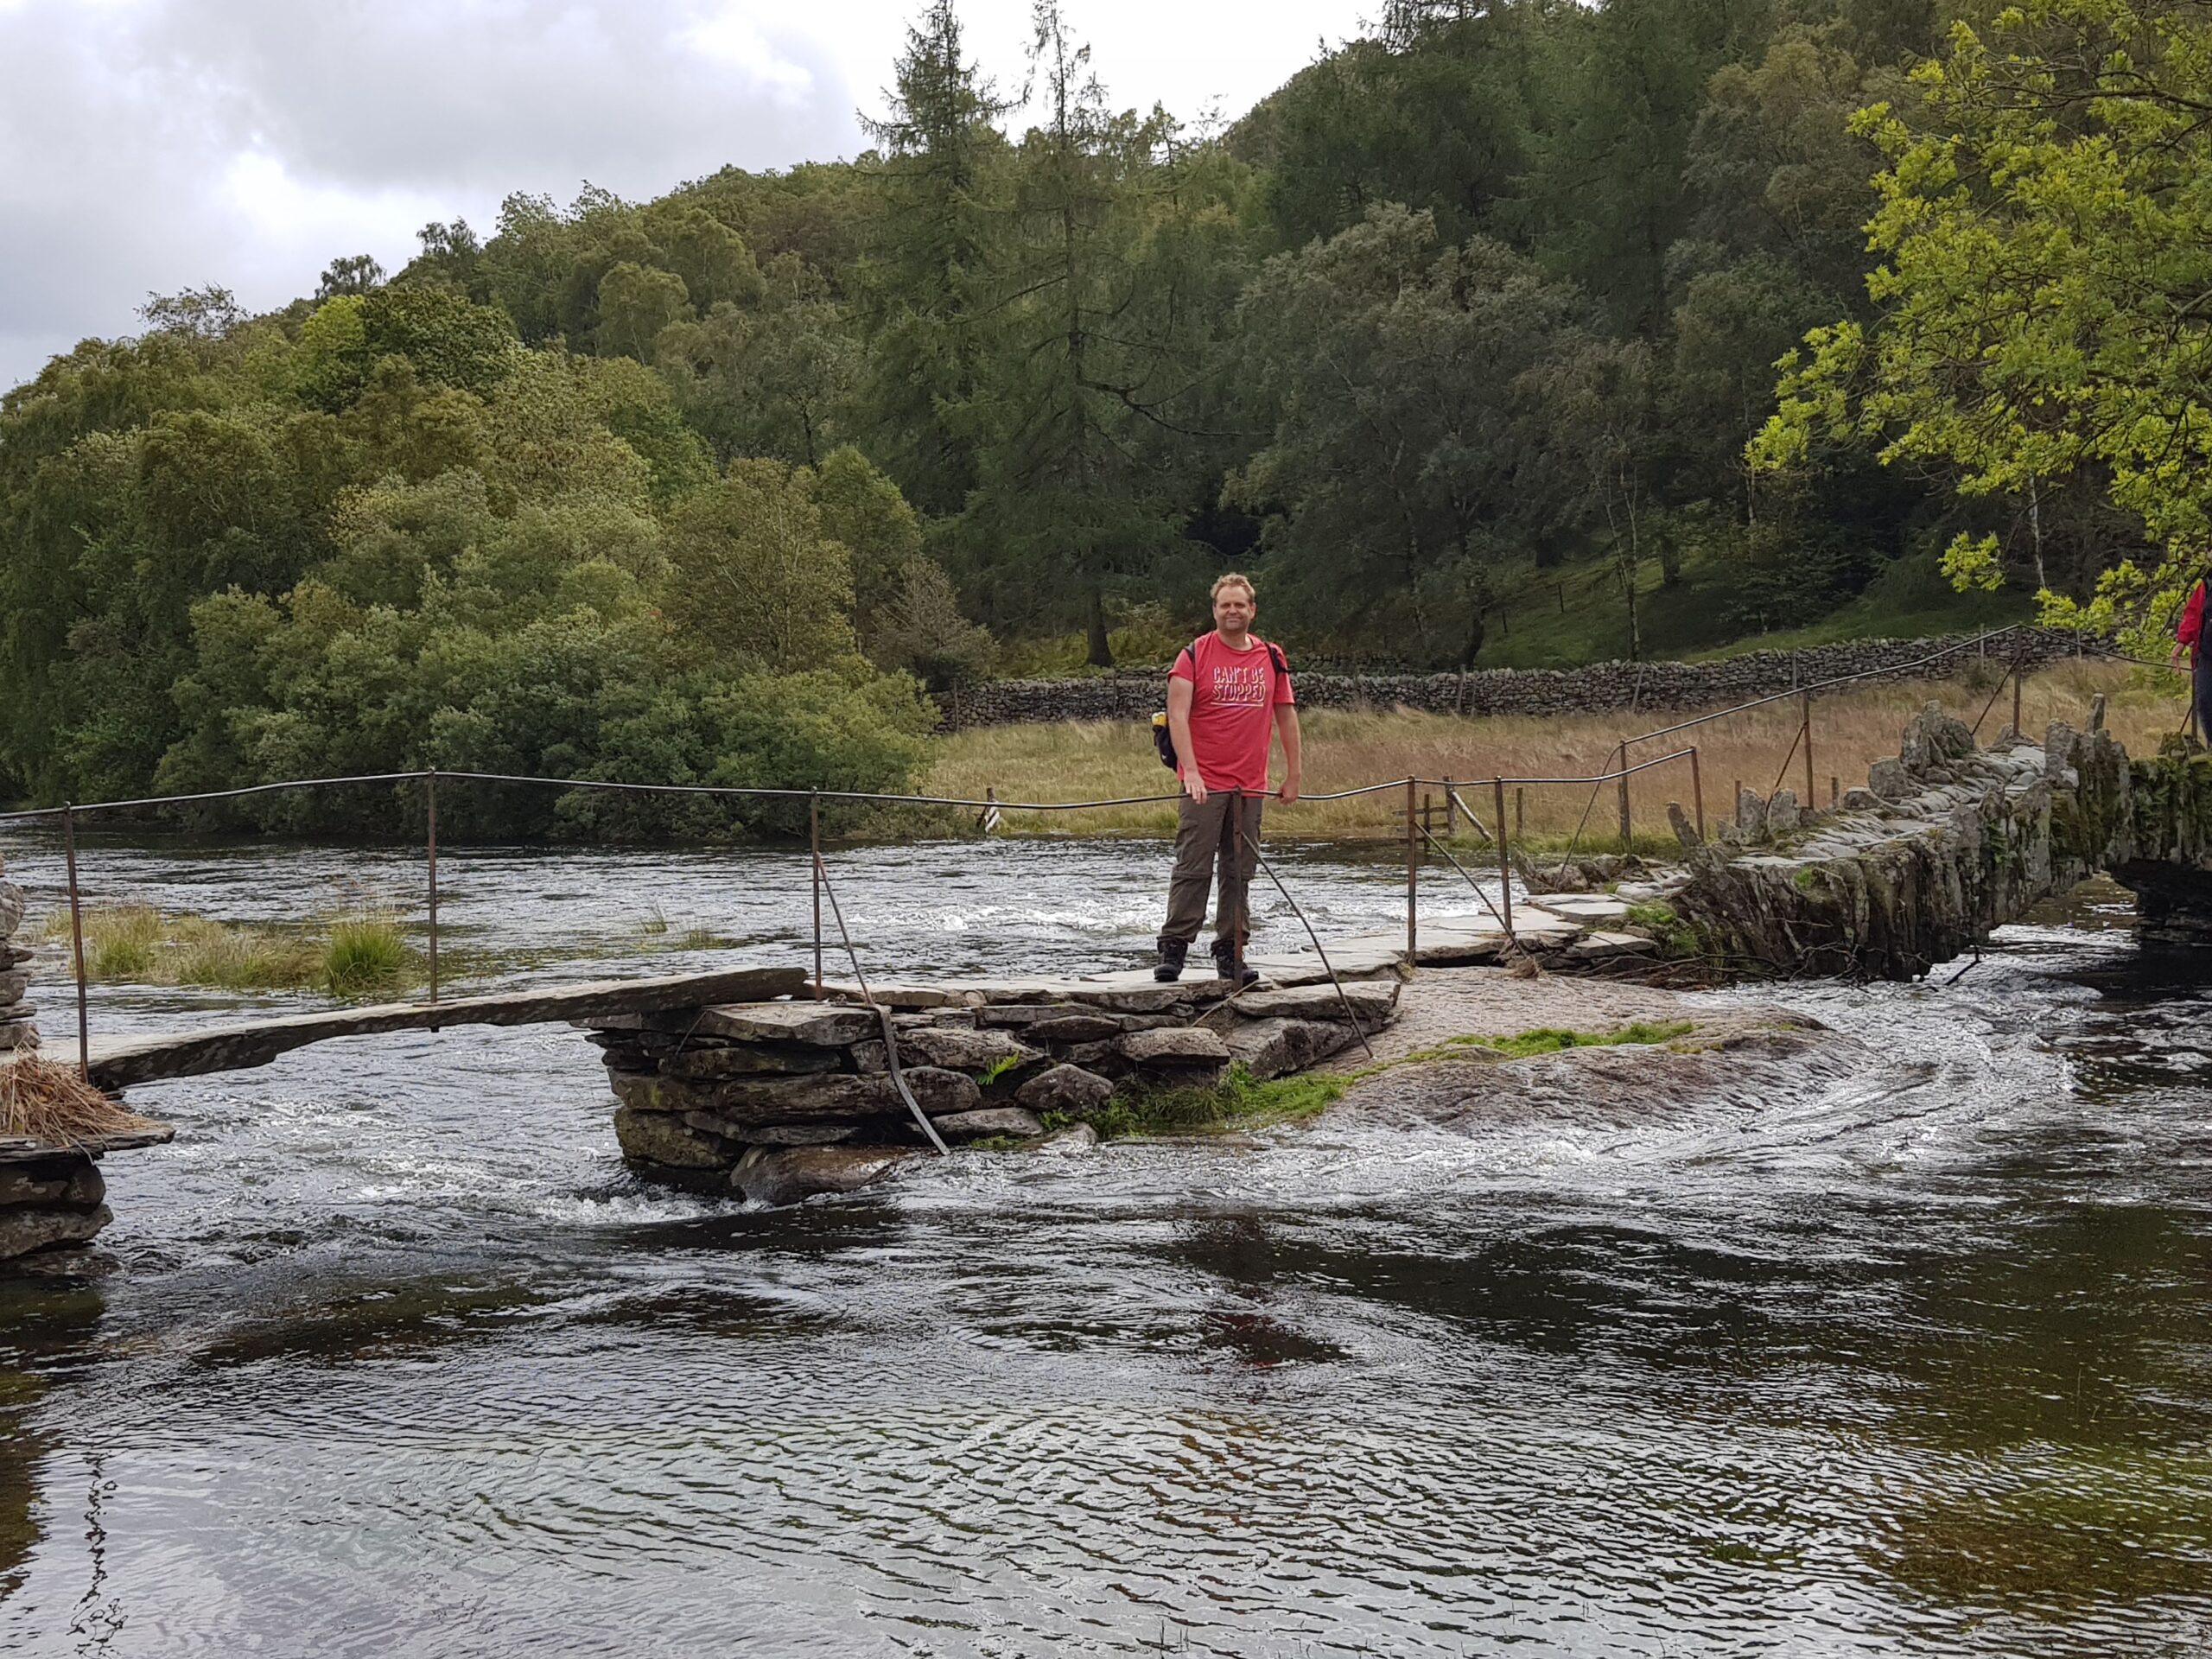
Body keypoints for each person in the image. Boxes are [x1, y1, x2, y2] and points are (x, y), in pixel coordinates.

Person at [1155, 573, 1301, 985]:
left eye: (1239, 604)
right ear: (1215, 610)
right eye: (1225, 605)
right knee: (1193, 865)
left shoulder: (1271, 657)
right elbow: (1177, 716)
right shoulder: (1193, 655)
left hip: (1249, 784)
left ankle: (1231, 951)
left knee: (1239, 871)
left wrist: (1293, 774)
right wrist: (1191, 771)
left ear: (1252, 610)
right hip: (1204, 782)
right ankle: (1174, 948)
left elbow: (1286, 715)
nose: (1232, 611)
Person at [2171, 563, 2212, 741]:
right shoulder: (2207, 584)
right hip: (2206, 654)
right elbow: (2193, 613)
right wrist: (2182, 641)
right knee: (2204, 701)